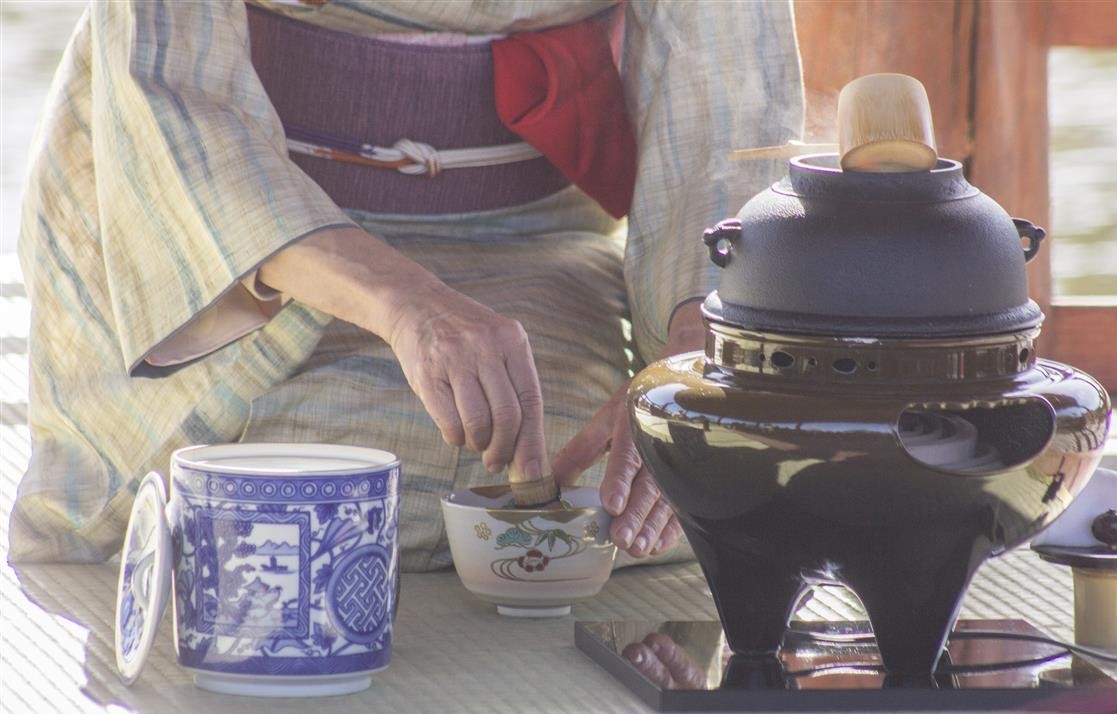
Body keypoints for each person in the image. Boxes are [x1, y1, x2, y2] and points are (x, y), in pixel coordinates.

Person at [8, 0, 803, 570]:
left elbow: (726, 96)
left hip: (531, 242)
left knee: (618, 491)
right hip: (249, 252)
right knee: (269, 490)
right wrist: (404, 303)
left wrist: (700, 350)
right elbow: (167, 85)